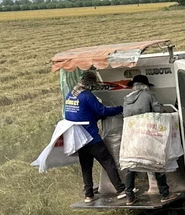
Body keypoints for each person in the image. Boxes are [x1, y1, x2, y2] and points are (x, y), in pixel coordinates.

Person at [63, 70, 126, 202]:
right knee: (108, 161)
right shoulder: (86, 96)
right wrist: (120, 108)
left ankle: (88, 195)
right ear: (90, 83)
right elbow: (101, 110)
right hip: (91, 138)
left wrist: (96, 116)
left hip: (78, 138)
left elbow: (79, 114)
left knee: (86, 167)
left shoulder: (70, 95)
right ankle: (121, 190)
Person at [121, 75, 177, 206]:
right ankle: (164, 194)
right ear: (145, 86)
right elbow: (159, 111)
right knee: (156, 161)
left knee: (131, 164)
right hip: (147, 134)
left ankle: (129, 196)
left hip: (131, 135)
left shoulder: (126, 99)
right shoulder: (148, 95)